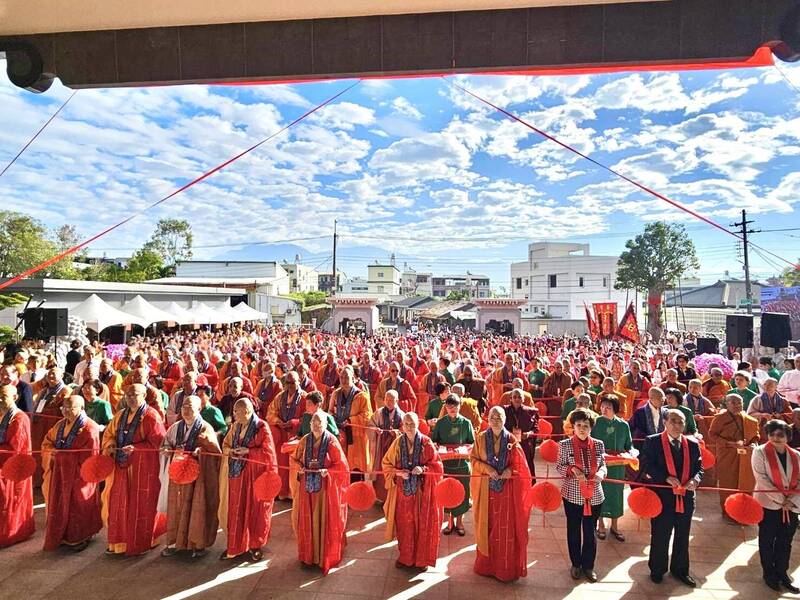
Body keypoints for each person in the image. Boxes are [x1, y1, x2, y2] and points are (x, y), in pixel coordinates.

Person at [639, 409, 702, 587]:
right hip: (663, 497)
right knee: (661, 534)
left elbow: (699, 468)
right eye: (673, 421)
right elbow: (646, 465)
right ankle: (657, 569)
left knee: (683, 535)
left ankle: (680, 569)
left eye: (681, 422)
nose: (677, 425)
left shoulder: (692, 444)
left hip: (686, 497)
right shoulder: (653, 441)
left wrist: (695, 480)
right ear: (664, 422)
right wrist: (665, 477)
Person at [101, 383, 167, 556]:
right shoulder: (120, 415)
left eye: (134, 395)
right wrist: (110, 444)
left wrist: (137, 449)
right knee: (118, 504)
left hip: (142, 469)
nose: (130, 398)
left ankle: (142, 542)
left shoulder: (151, 416)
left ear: (144, 396)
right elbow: (109, 434)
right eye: (127, 395)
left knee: (141, 505)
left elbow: (159, 444)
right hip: (120, 467)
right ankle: (119, 542)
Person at [470, 406, 532, 582]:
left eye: (499, 417)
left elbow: (520, 465)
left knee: (505, 529)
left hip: (506, 492)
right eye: (492, 417)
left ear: (505, 420)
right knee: (487, 526)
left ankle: (504, 569)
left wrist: (510, 471)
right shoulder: (481, 438)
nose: (496, 421)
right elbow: (473, 460)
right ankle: (486, 566)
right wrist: (487, 469)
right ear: (488, 420)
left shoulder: (512, 440)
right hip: (485, 490)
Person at [158, 395, 221, 559]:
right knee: (175, 507)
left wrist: (202, 452)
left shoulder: (205, 428)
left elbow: (215, 453)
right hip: (178, 473)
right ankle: (174, 543)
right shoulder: (175, 427)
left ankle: (197, 544)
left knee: (197, 508)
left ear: (199, 409)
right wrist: (166, 449)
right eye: (183, 407)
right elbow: (166, 443)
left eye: (190, 407)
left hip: (197, 477)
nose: (186, 410)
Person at [382, 411, 443, 569]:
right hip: (402, 494)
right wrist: (397, 472)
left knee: (422, 526)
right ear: (402, 425)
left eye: (412, 424)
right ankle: (405, 558)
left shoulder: (426, 442)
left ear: (418, 425)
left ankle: (421, 560)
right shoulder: (397, 442)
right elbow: (386, 464)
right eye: (406, 424)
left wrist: (423, 469)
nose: (409, 427)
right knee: (404, 527)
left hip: (422, 493)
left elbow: (437, 467)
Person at [219, 397, 278, 561]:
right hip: (237, 476)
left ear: (246, 411)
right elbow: (226, 444)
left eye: (236, 412)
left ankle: (255, 546)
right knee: (236, 510)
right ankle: (236, 546)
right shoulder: (236, 426)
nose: (233, 415)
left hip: (255, 476)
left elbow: (268, 454)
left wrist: (248, 452)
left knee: (256, 511)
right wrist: (231, 451)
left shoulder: (261, 427)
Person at [41, 395, 102, 552]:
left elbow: (89, 456)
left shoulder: (90, 428)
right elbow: (47, 441)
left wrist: (60, 456)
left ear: (81, 408)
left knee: (78, 505)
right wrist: (51, 451)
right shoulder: (60, 424)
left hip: (79, 476)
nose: (66, 411)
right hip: (60, 474)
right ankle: (62, 535)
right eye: (64, 407)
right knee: (59, 504)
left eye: (70, 408)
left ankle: (81, 536)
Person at [291, 410, 349, 574]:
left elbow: (342, 466)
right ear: (309, 424)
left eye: (320, 424)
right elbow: (294, 459)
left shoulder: (332, 441)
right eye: (313, 424)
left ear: (325, 425)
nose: (316, 426)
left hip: (325, 490)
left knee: (323, 520)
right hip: (306, 489)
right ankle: (308, 557)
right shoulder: (304, 440)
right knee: (307, 521)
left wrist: (328, 472)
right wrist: (299, 468)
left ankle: (323, 557)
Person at [556, 408, 607, 582]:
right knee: (574, 529)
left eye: (586, 426)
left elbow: (603, 465)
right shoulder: (565, 445)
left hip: (595, 495)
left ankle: (589, 566)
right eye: (578, 425)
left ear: (591, 428)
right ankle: (576, 564)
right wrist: (572, 469)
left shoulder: (599, 444)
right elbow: (559, 467)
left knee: (590, 531)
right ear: (573, 427)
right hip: (572, 495)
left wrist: (601, 473)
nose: (582, 429)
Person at [751, 420, 800, 593]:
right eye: (771, 434)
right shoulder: (759, 452)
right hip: (769, 504)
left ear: (788, 437)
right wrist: (781, 500)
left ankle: (782, 572)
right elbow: (762, 479)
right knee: (767, 540)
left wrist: (792, 501)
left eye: (780, 435)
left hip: (791, 506)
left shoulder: (796, 455)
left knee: (785, 541)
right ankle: (769, 574)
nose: (775, 438)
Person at [708, 394, 760, 521]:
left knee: (745, 483)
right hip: (727, 455)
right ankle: (728, 513)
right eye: (733, 403)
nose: (737, 405)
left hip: (745, 457)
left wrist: (753, 444)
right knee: (728, 483)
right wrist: (729, 443)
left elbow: (756, 436)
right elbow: (712, 434)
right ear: (727, 404)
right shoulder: (720, 418)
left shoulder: (749, 420)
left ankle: (743, 513)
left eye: (740, 403)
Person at [430, 393, 474, 536]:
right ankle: (449, 522)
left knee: (462, 494)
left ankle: (459, 522)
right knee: (447, 493)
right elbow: (434, 441)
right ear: (446, 407)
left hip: (462, 465)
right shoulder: (441, 423)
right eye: (449, 407)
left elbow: (471, 443)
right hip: (446, 464)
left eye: (455, 407)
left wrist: (463, 449)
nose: (452, 410)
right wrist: (438, 447)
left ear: (460, 406)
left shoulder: (466, 423)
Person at [591, 395, 632, 542]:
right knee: (600, 492)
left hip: (617, 466)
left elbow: (628, 445)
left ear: (615, 408)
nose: (604, 409)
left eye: (608, 407)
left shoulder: (623, 425)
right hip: (600, 465)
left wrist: (630, 454)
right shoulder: (595, 423)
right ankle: (600, 524)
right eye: (602, 406)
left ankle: (615, 526)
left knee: (616, 494)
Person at [0, 384, 34, 547]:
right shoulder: (3, 415)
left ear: (15, 397)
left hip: (13, 466)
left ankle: (10, 534)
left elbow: (15, 448)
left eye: (3, 397)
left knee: (10, 502)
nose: (0, 400)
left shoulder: (19, 418)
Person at [267, 371, 306, 500]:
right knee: (282, 465)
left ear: (298, 382)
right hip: (283, 436)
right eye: (287, 382)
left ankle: (294, 494)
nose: (289, 385)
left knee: (294, 466)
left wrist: (294, 423)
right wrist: (278, 421)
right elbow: (271, 412)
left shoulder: (305, 397)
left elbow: (308, 417)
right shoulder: (280, 397)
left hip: (297, 436)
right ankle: (283, 492)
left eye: (292, 382)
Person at [329, 367, 372, 478]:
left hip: (355, 437)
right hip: (339, 434)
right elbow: (330, 411)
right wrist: (333, 419)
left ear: (353, 378)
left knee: (355, 471)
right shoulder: (336, 394)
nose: (343, 380)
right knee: (341, 468)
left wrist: (350, 421)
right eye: (341, 377)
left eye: (346, 377)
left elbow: (367, 416)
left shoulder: (361, 396)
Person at [367, 389, 404, 503]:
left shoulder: (402, 415)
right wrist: (376, 430)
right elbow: (370, 425)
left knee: (392, 469)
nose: (388, 402)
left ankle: (391, 497)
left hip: (394, 447)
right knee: (379, 469)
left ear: (397, 401)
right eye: (387, 399)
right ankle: (380, 497)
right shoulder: (378, 413)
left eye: (391, 400)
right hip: (380, 445)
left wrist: (396, 432)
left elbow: (405, 431)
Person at [503, 388, 540, 484]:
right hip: (509, 443)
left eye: (519, 397)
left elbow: (536, 429)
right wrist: (508, 434)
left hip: (524, 443)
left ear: (523, 399)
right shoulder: (504, 411)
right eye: (514, 397)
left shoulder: (530, 412)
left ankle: (529, 486)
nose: (517, 399)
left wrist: (529, 433)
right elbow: (500, 427)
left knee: (527, 465)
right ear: (510, 399)